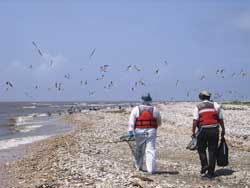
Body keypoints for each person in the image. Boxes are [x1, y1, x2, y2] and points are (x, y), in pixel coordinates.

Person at [192, 90, 225, 178]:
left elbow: (195, 120)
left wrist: (193, 132)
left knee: (201, 149)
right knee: (212, 151)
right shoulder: (216, 105)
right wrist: (223, 130)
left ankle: (204, 165)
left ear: (201, 97)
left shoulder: (197, 107)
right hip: (214, 130)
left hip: (202, 130)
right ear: (209, 97)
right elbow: (221, 118)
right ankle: (211, 172)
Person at [128, 93, 161, 173]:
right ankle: (151, 169)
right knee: (151, 149)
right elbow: (159, 122)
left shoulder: (136, 109)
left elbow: (131, 121)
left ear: (141, 100)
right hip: (151, 131)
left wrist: (130, 131)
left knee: (139, 148)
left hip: (139, 130)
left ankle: (138, 166)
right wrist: (154, 127)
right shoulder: (155, 109)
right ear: (150, 100)